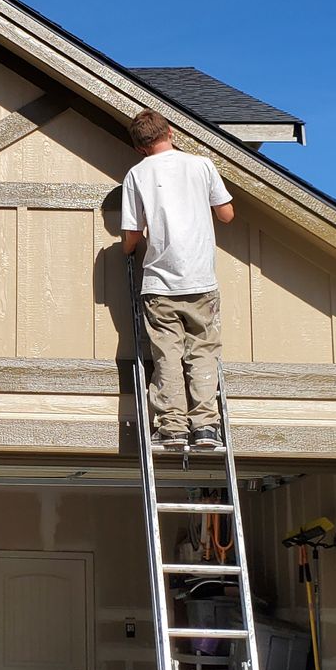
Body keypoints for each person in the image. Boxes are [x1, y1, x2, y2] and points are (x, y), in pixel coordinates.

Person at [120, 109, 235, 449]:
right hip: (201, 279)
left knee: (166, 354)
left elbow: (131, 234)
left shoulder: (136, 175)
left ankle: (172, 428)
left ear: (140, 147)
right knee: (202, 351)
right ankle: (205, 428)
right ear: (170, 131)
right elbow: (227, 215)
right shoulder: (201, 165)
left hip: (159, 282)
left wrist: (127, 251)